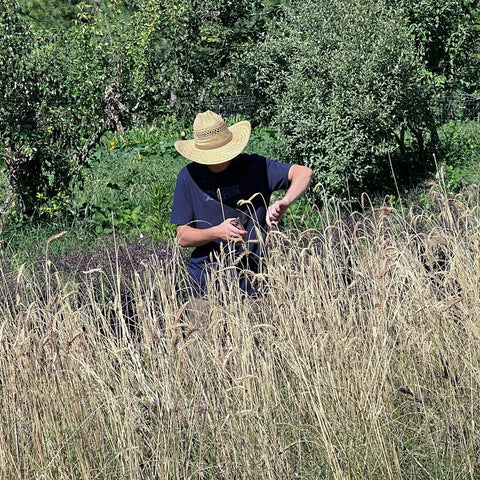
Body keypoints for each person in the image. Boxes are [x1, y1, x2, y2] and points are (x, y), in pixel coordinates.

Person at [171, 110, 313, 298]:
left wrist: (286, 201)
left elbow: (304, 173)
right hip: (207, 285)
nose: (219, 160)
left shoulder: (256, 166)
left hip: (255, 283)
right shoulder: (188, 177)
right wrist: (217, 232)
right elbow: (183, 237)